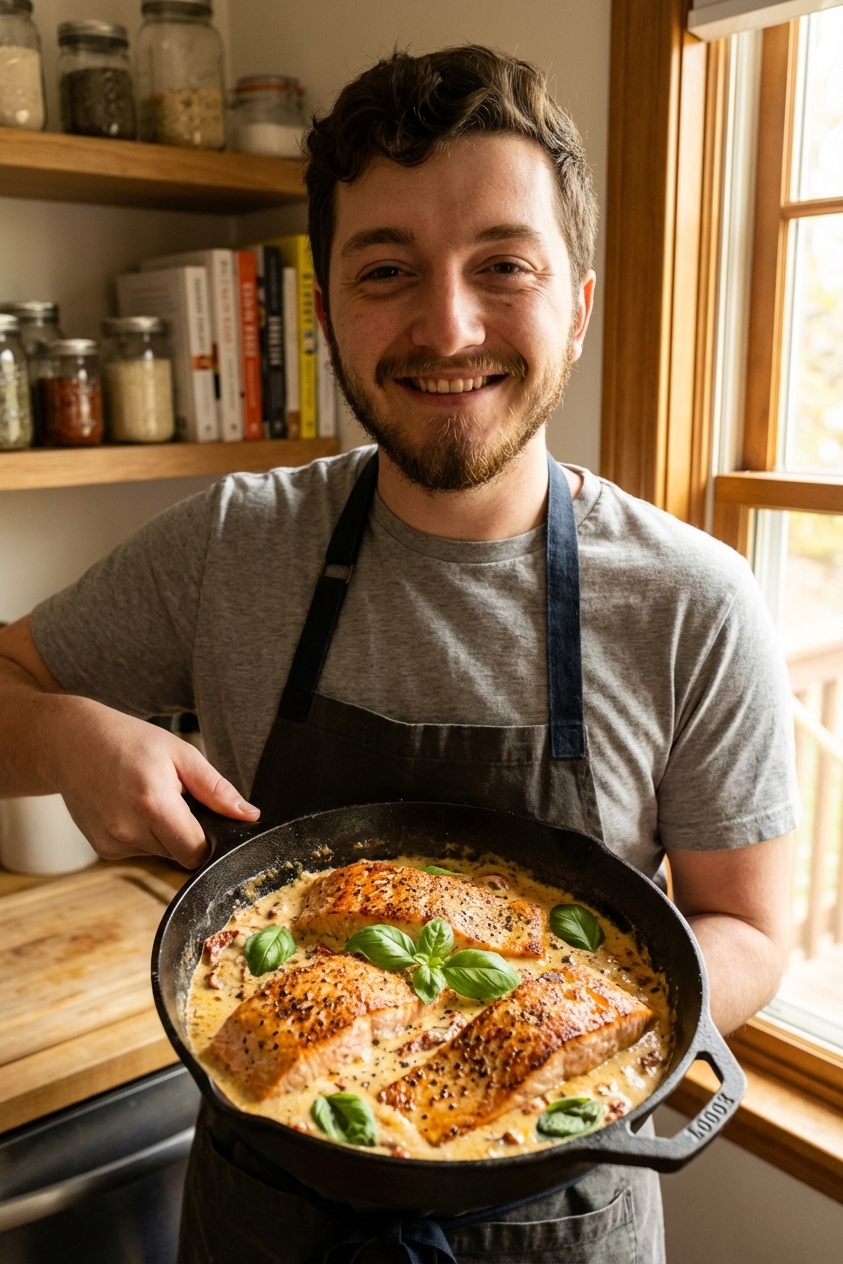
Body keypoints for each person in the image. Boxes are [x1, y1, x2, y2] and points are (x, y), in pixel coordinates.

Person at [0, 45, 797, 1264]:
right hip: (263, 1213)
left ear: (579, 304)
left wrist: (550, 1027)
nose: (448, 326)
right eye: (387, 270)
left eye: (504, 266)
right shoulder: (233, 542)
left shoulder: (695, 599)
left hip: (564, 1216)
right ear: (326, 313)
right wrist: (67, 736)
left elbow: (747, 927)